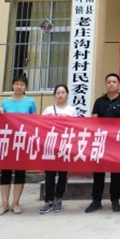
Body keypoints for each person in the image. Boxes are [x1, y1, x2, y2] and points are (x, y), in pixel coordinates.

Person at [85, 73, 120, 214]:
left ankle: (115, 200)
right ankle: (96, 200)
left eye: (114, 82)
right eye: (109, 82)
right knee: (98, 171)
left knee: (116, 172)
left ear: (118, 84)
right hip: (100, 140)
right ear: (106, 85)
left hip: (116, 141)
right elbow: (94, 119)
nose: (111, 84)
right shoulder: (99, 101)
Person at [0, 75, 37, 216]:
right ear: (12, 86)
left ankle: (16, 203)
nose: (19, 87)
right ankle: (4, 204)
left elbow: (35, 121)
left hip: (23, 141)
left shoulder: (30, 101)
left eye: (22, 84)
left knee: (20, 173)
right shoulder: (5, 102)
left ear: (26, 87)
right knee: (5, 173)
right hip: (7, 141)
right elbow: (0, 121)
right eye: (17, 84)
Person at [40, 84, 77, 214]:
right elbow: (41, 124)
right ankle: (48, 200)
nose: (60, 95)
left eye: (63, 92)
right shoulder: (48, 109)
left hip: (65, 146)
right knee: (49, 173)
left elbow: (75, 127)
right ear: (54, 95)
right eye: (58, 93)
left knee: (63, 173)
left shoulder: (72, 110)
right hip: (50, 145)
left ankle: (58, 198)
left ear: (67, 94)